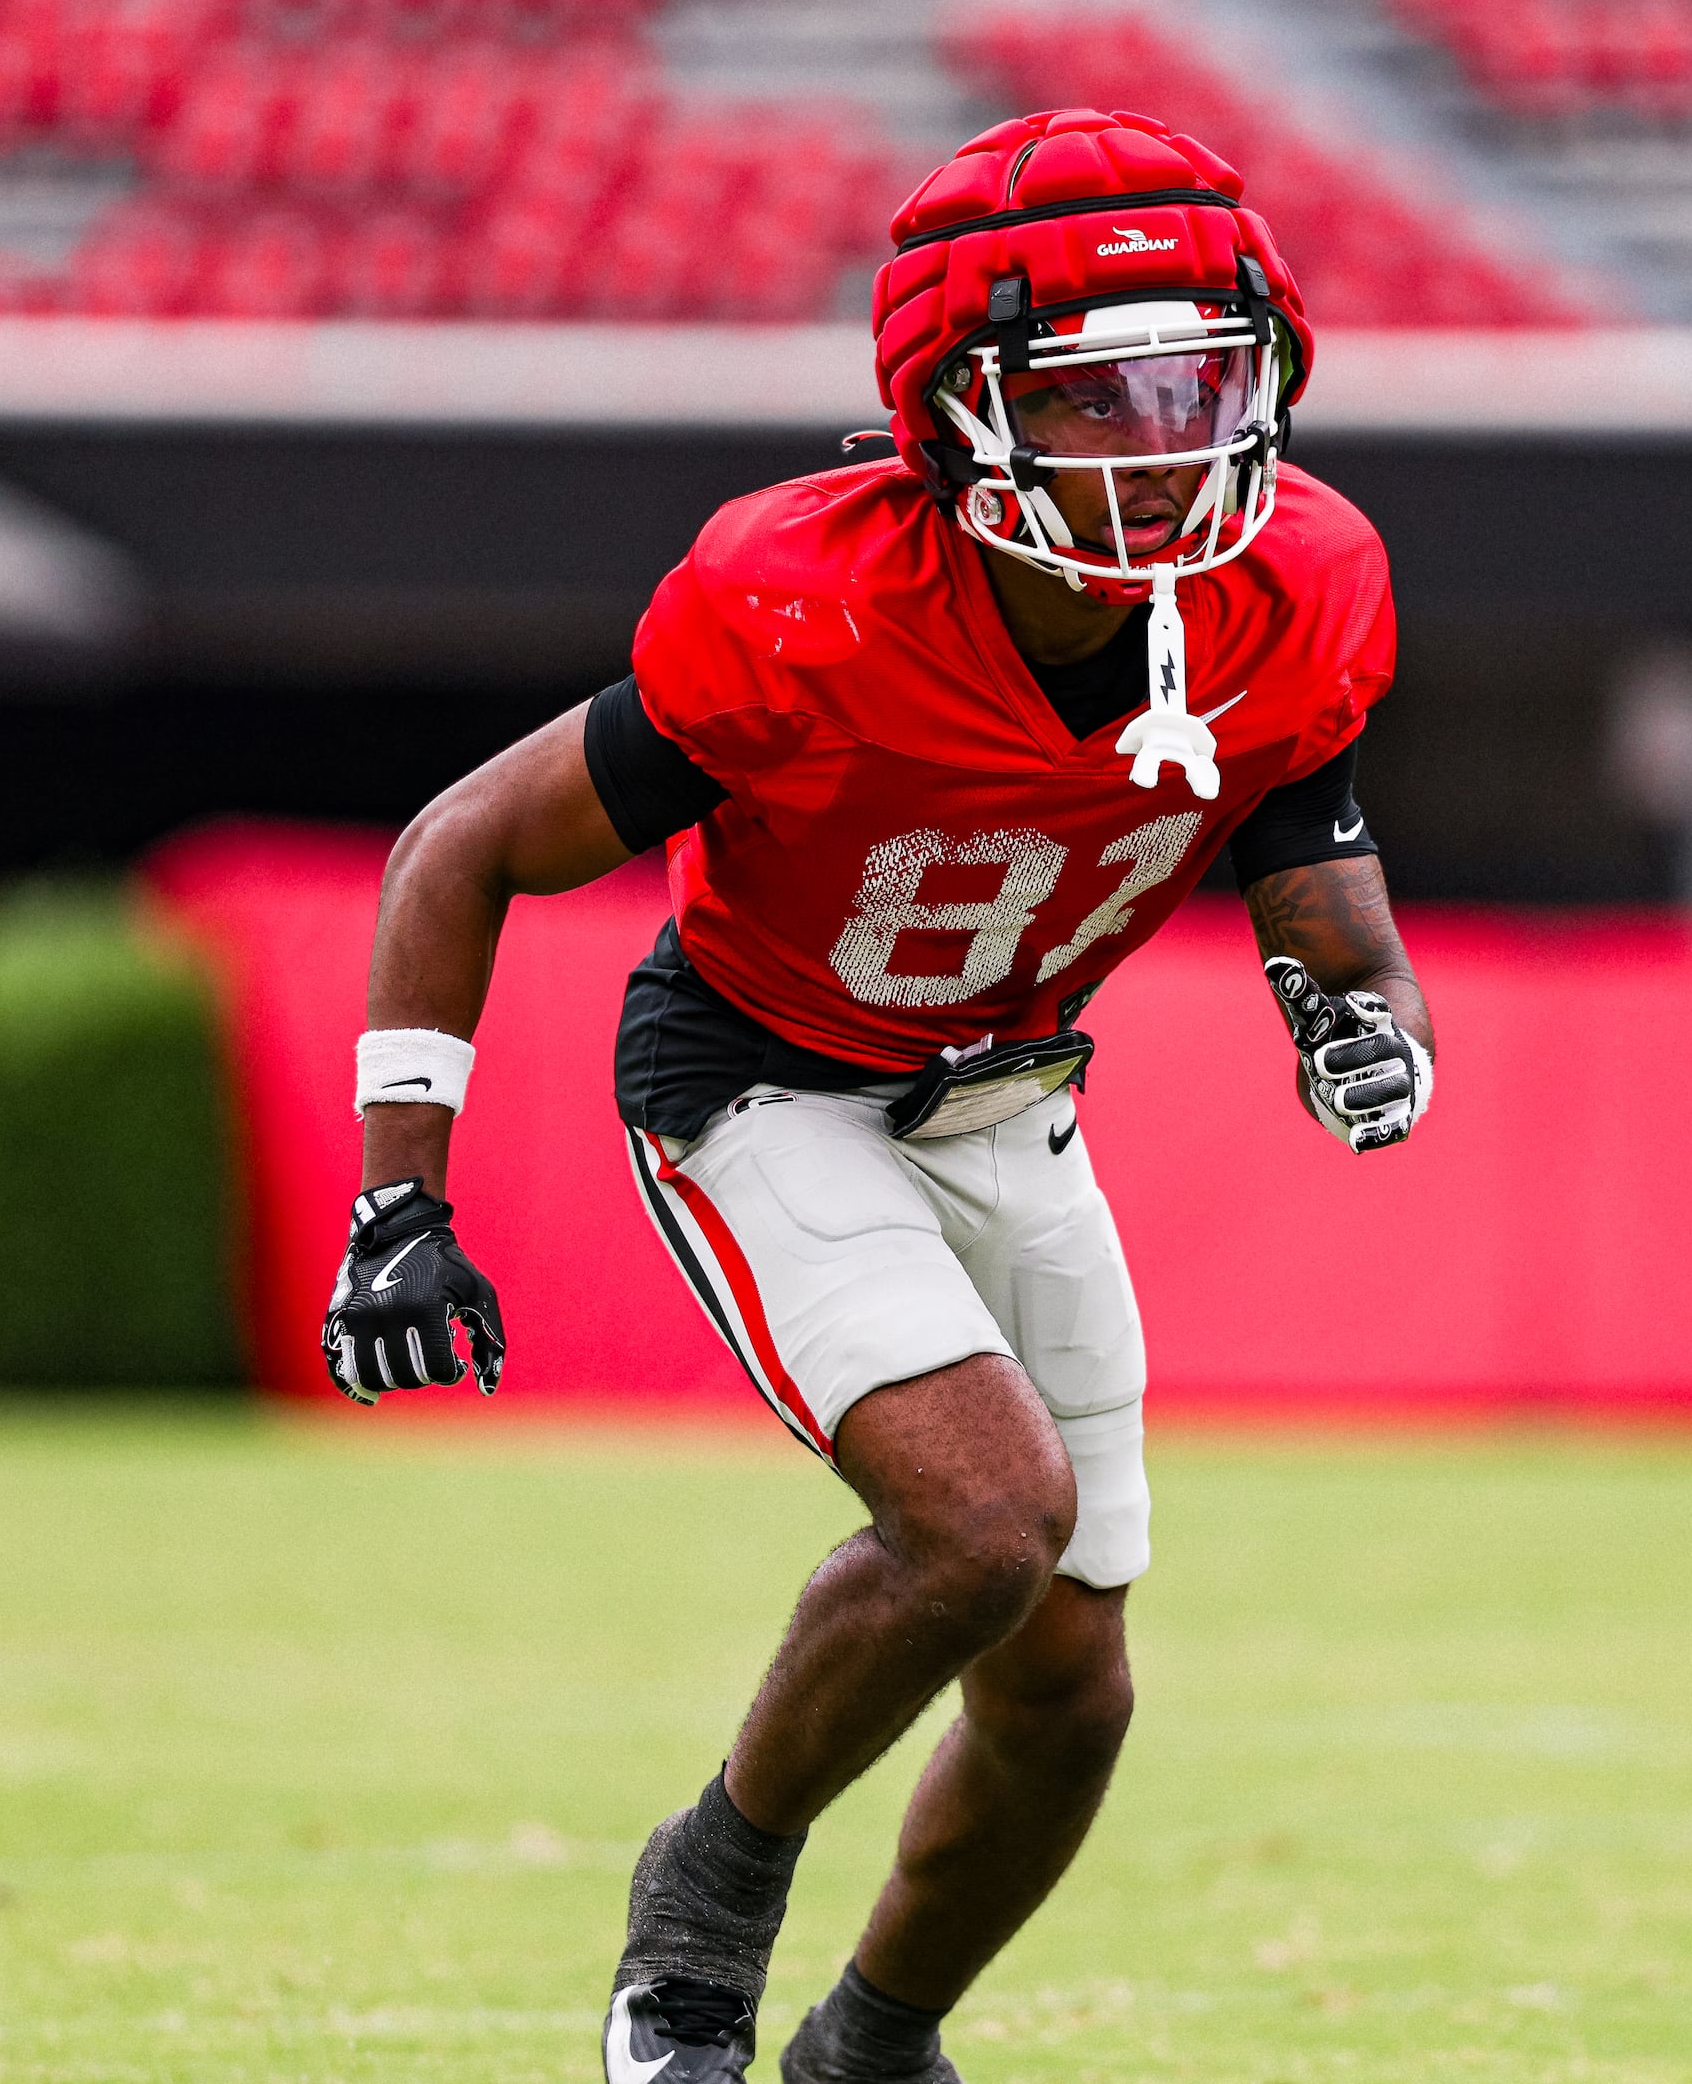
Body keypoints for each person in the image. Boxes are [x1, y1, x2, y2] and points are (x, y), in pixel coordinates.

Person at [319, 108, 1438, 2084]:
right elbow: (463, 842)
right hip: (768, 1086)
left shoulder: (1305, 586)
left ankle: (873, 2045)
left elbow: (1298, 812)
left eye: (1202, 382)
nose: (1170, 439)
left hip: (1016, 1104)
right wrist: (401, 1194)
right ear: (959, 414)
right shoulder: (804, 605)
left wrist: (1356, 1001)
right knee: (992, 1520)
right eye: (1104, 397)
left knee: (1071, 1691)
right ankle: (702, 1915)